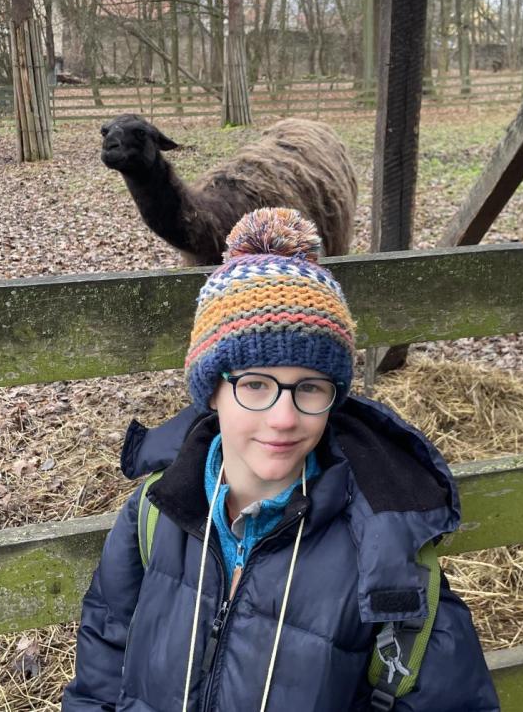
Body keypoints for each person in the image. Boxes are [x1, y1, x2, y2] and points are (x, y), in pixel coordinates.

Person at [62, 207, 498, 712]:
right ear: (211, 392)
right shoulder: (152, 516)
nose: (284, 418)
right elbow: (103, 664)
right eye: (254, 385)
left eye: (309, 388)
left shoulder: (385, 550)